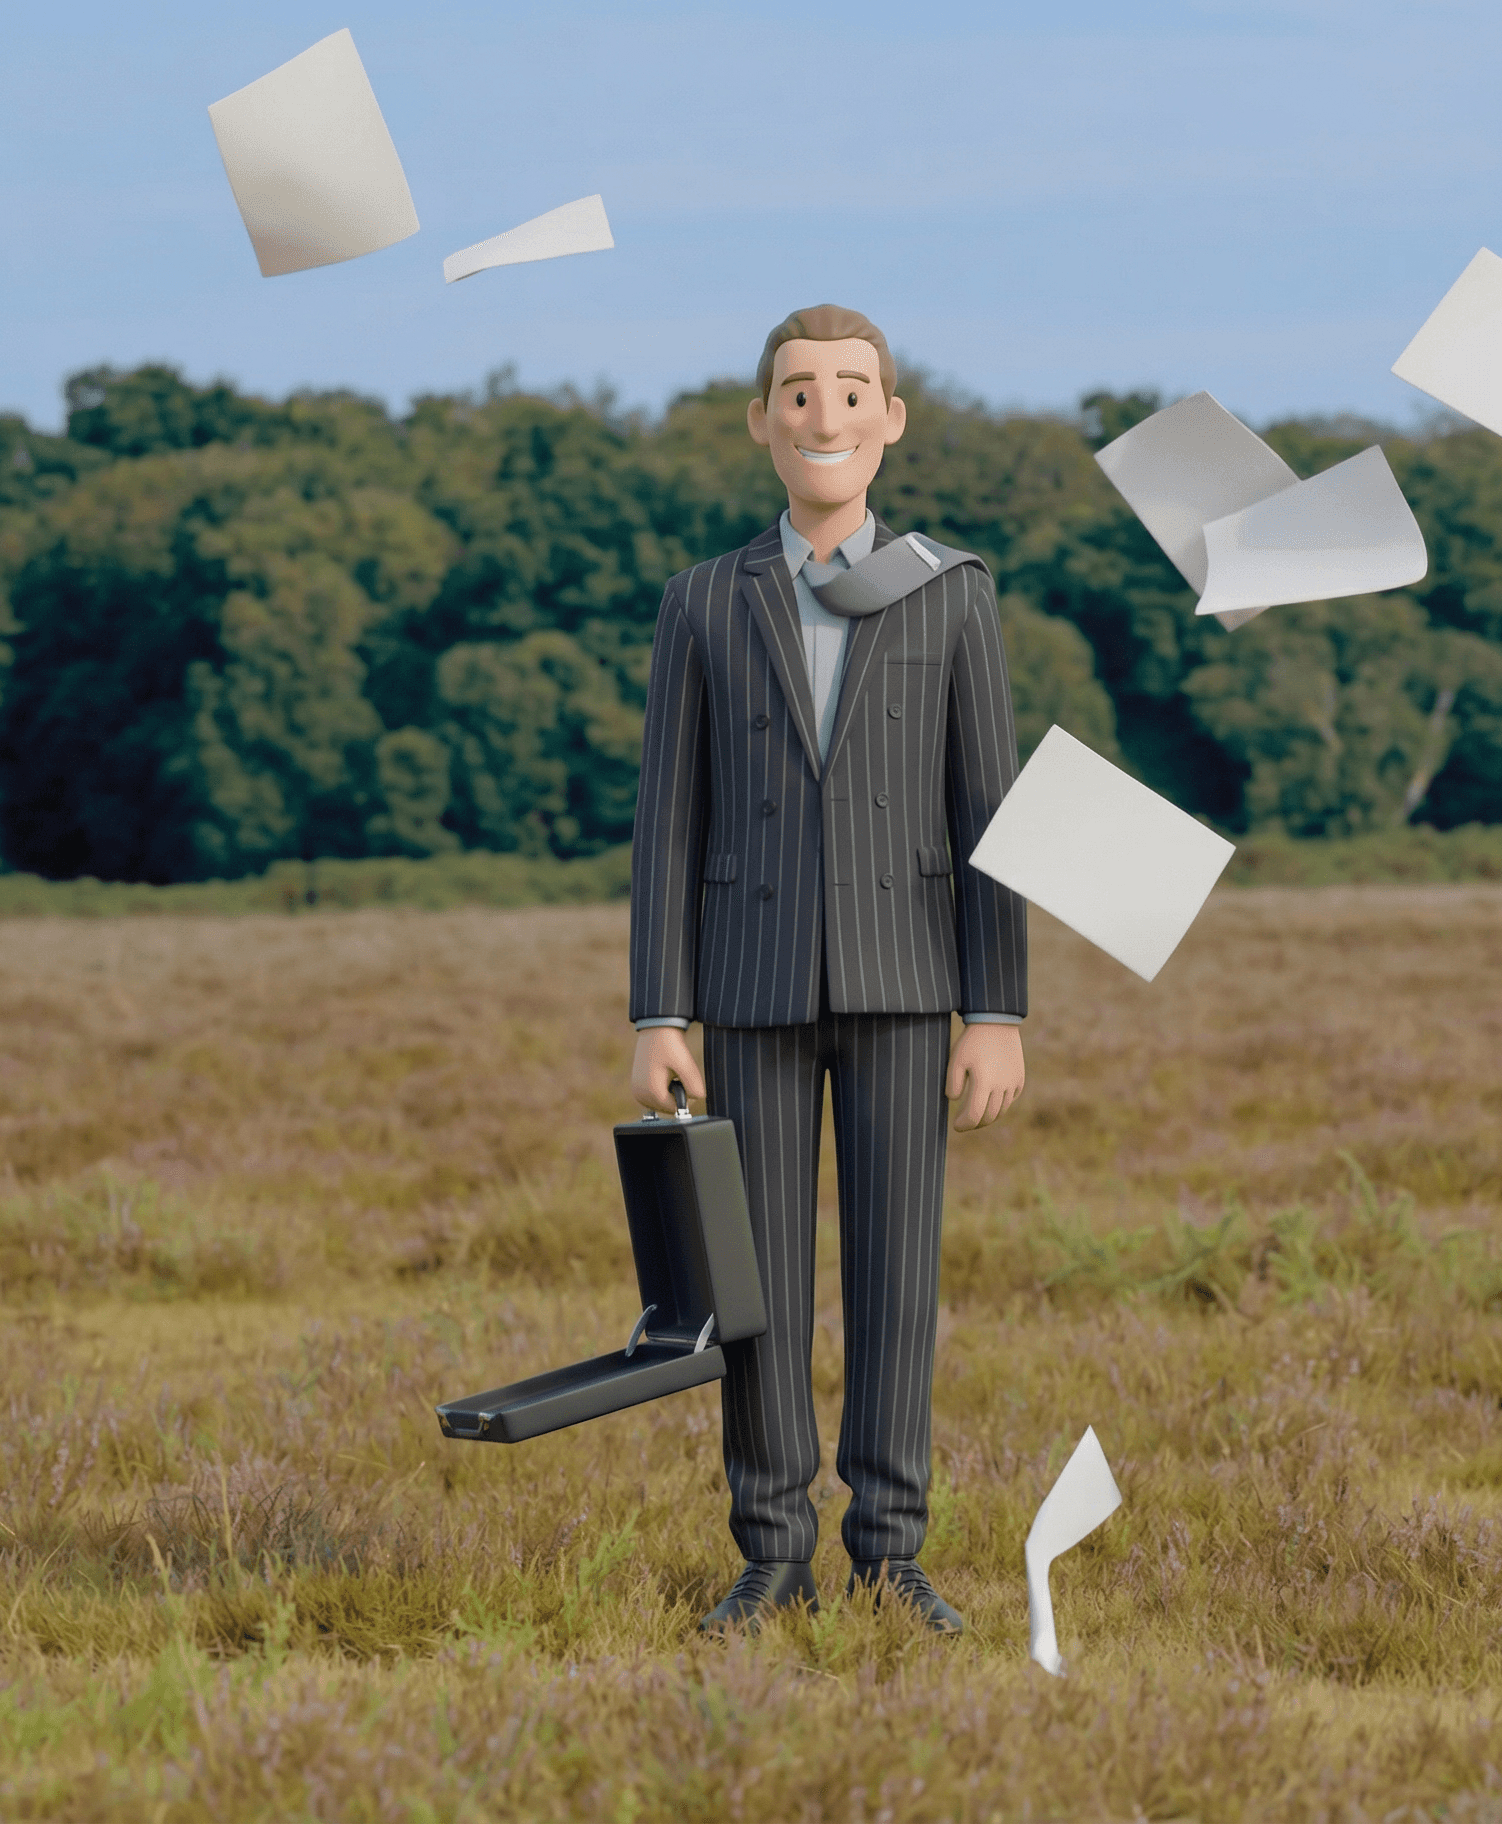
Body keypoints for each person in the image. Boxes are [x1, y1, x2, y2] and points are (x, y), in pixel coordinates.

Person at [627, 305, 1029, 1635]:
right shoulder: (702, 599)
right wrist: (657, 1009)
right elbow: (668, 820)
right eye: (797, 392)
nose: (826, 413)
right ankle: (771, 1550)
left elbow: (990, 808)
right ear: (761, 421)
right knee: (754, 1294)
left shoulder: (951, 588)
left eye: (853, 389)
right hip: (744, 988)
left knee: (896, 1281)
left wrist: (1001, 1009)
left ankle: (891, 1551)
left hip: (910, 983)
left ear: (892, 418)